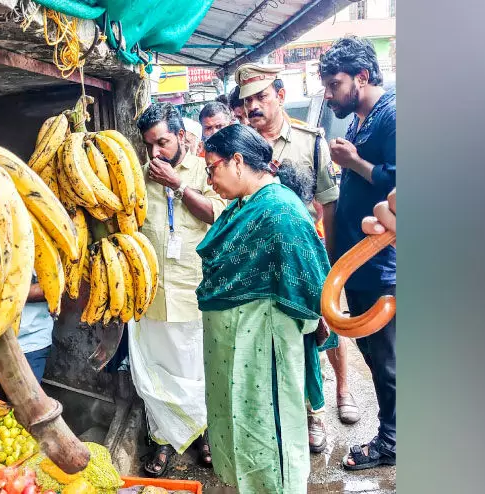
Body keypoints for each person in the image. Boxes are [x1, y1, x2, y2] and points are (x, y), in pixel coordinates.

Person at [196, 124, 331, 493]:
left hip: (265, 347)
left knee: (267, 433)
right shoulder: (245, 205)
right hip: (233, 350)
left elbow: (312, 281)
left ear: (237, 161)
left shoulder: (280, 212)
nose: (210, 180)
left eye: (212, 168)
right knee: (238, 426)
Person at [235, 62, 359, 452]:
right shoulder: (240, 144)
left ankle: (342, 390)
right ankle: (309, 411)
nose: (253, 106)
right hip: (265, 262)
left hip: (309, 254)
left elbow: (329, 203)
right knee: (293, 338)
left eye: (261, 97)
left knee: (329, 324)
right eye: (247, 100)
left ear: (280, 96)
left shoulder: (311, 141)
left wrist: (335, 262)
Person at [132, 102, 227, 477]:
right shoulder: (138, 176)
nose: (155, 153)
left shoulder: (207, 172)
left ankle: (203, 435)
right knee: (156, 374)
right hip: (151, 296)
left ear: (183, 137)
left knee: (197, 371)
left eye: (163, 142)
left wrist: (178, 185)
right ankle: (163, 439)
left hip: (196, 293)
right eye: (149, 145)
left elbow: (216, 214)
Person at [318, 36, 396, 470]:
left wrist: (355, 166)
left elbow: (403, 181)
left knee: (386, 362)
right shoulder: (360, 121)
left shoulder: (393, 116)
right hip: (361, 264)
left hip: (383, 264)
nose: (329, 95)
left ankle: (392, 442)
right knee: (375, 354)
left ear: (361, 77)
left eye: (334, 84)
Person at [0, 271, 54, 400]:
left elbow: (58, 286)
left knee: (26, 406)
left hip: (29, 342)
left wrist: (5, 294)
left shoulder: (48, 251)